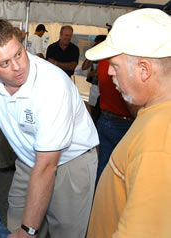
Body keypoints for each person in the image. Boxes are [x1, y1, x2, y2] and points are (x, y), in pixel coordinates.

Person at [0, 19, 99, 238]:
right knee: (15, 223)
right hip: (29, 157)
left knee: (64, 231)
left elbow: (47, 164)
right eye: (4, 63)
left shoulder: (52, 85)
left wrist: (28, 230)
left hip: (70, 161)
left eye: (18, 54)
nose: (17, 67)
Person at [85, 8, 171, 238]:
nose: (109, 73)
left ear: (144, 70)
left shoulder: (158, 142)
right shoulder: (154, 115)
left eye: (115, 65)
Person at [81, 35, 106, 123]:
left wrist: (96, 72)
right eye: (96, 43)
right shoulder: (94, 56)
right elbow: (84, 67)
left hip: (103, 89)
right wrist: (91, 54)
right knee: (92, 110)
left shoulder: (107, 56)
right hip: (94, 87)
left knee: (100, 113)